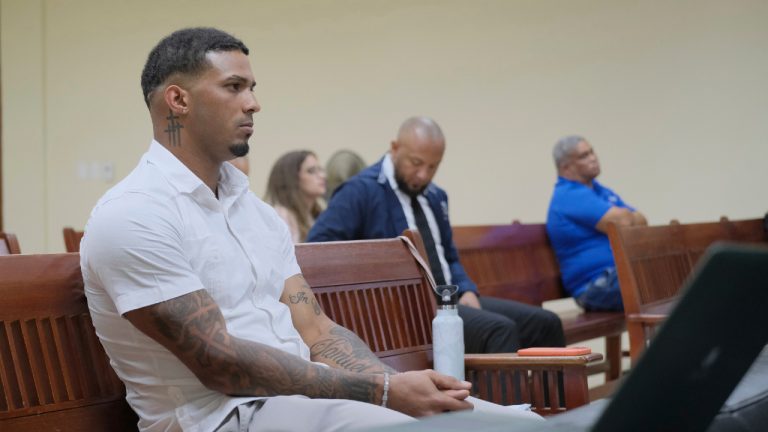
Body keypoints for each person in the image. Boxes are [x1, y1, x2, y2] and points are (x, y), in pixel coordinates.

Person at [80, 28, 539, 432]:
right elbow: (218, 363)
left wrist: (390, 384)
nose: (254, 103)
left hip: (301, 402)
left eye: (253, 88)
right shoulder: (134, 213)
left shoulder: (252, 213)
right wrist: (380, 394)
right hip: (225, 416)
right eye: (234, 87)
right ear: (178, 100)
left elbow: (316, 328)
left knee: (517, 423)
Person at [307, 117, 565, 354]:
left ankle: (555, 405)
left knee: (546, 323)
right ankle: (505, 406)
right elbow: (315, 249)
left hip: (450, 299)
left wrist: (466, 289)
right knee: (498, 330)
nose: (423, 175)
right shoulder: (360, 192)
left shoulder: (436, 196)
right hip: (405, 311)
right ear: (395, 148)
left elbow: (449, 255)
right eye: (416, 163)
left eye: (433, 166)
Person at [546, 135, 648, 312]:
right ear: (566, 168)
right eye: (583, 156)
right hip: (594, 287)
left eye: (592, 152)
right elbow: (624, 222)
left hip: (617, 276)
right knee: (662, 279)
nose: (593, 157)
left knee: (669, 276)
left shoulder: (599, 190)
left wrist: (625, 218)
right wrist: (626, 217)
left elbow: (642, 222)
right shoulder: (569, 195)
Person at [265, 150, 326, 243]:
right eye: (312, 171)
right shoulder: (281, 216)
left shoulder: (316, 215)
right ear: (292, 178)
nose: (322, 176)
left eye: (320, 170)